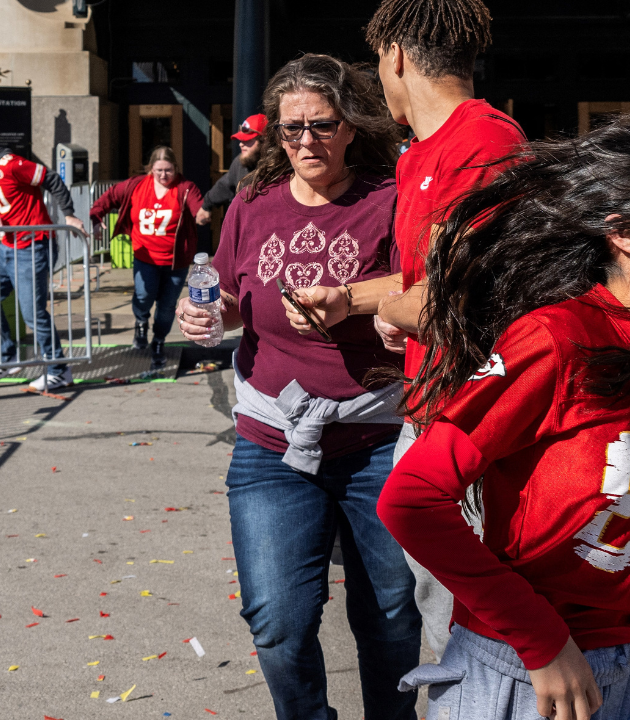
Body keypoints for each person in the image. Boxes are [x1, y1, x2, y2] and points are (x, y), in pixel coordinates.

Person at [377, 112, 630, 720]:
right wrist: (541, 642)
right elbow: (410, 498)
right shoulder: (553, 340)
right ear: (624, 232)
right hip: (526, 678)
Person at [175, 54, 420, 720]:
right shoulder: (253, 204)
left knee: (392, 618)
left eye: (321, 125)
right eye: (291, 129)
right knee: (277, 622)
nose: (305, 141)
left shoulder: (388, 197)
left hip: (377, 440)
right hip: (271, 443)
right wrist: (202, 313)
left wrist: (373, 313)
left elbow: (419, 291)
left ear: (349, 126)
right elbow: (225, 295)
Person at [282, 0, 525, 660]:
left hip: (474, 422)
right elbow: (422, 281)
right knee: (438, 607)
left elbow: (465, 299)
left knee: (473, 624)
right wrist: (348, 299)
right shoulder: (421, 158)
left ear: (393, 55)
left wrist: (395, 312)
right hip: (427, 408)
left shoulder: (486, 145)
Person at [0, 121, 85, 391]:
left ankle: (59, 369)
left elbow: (51, 179)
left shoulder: (11, 164)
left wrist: (69, 215)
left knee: (33, 313)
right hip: (6, 247)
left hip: (33, 245)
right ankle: (6, 356)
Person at [90, 146, 206, 368]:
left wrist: (202, 215)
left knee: (166, 305)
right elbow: (109, 196)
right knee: (144, 296)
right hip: (145, 256)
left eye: (169, 171)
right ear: (150, 169)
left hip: (175, 261)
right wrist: (96, 217)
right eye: (159, 170)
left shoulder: (185, 188)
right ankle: (141, 321)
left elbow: (198, 209)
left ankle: (159, 341)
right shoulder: (136, 186)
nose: (163, 176)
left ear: (176, 169)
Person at [195, 113, 266, 225]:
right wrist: (206, 206)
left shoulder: (279, 167)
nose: (241, 144)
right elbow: (225, 185)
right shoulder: (240, 162)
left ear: (264, 141)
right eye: (241, 140)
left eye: (247, 140)